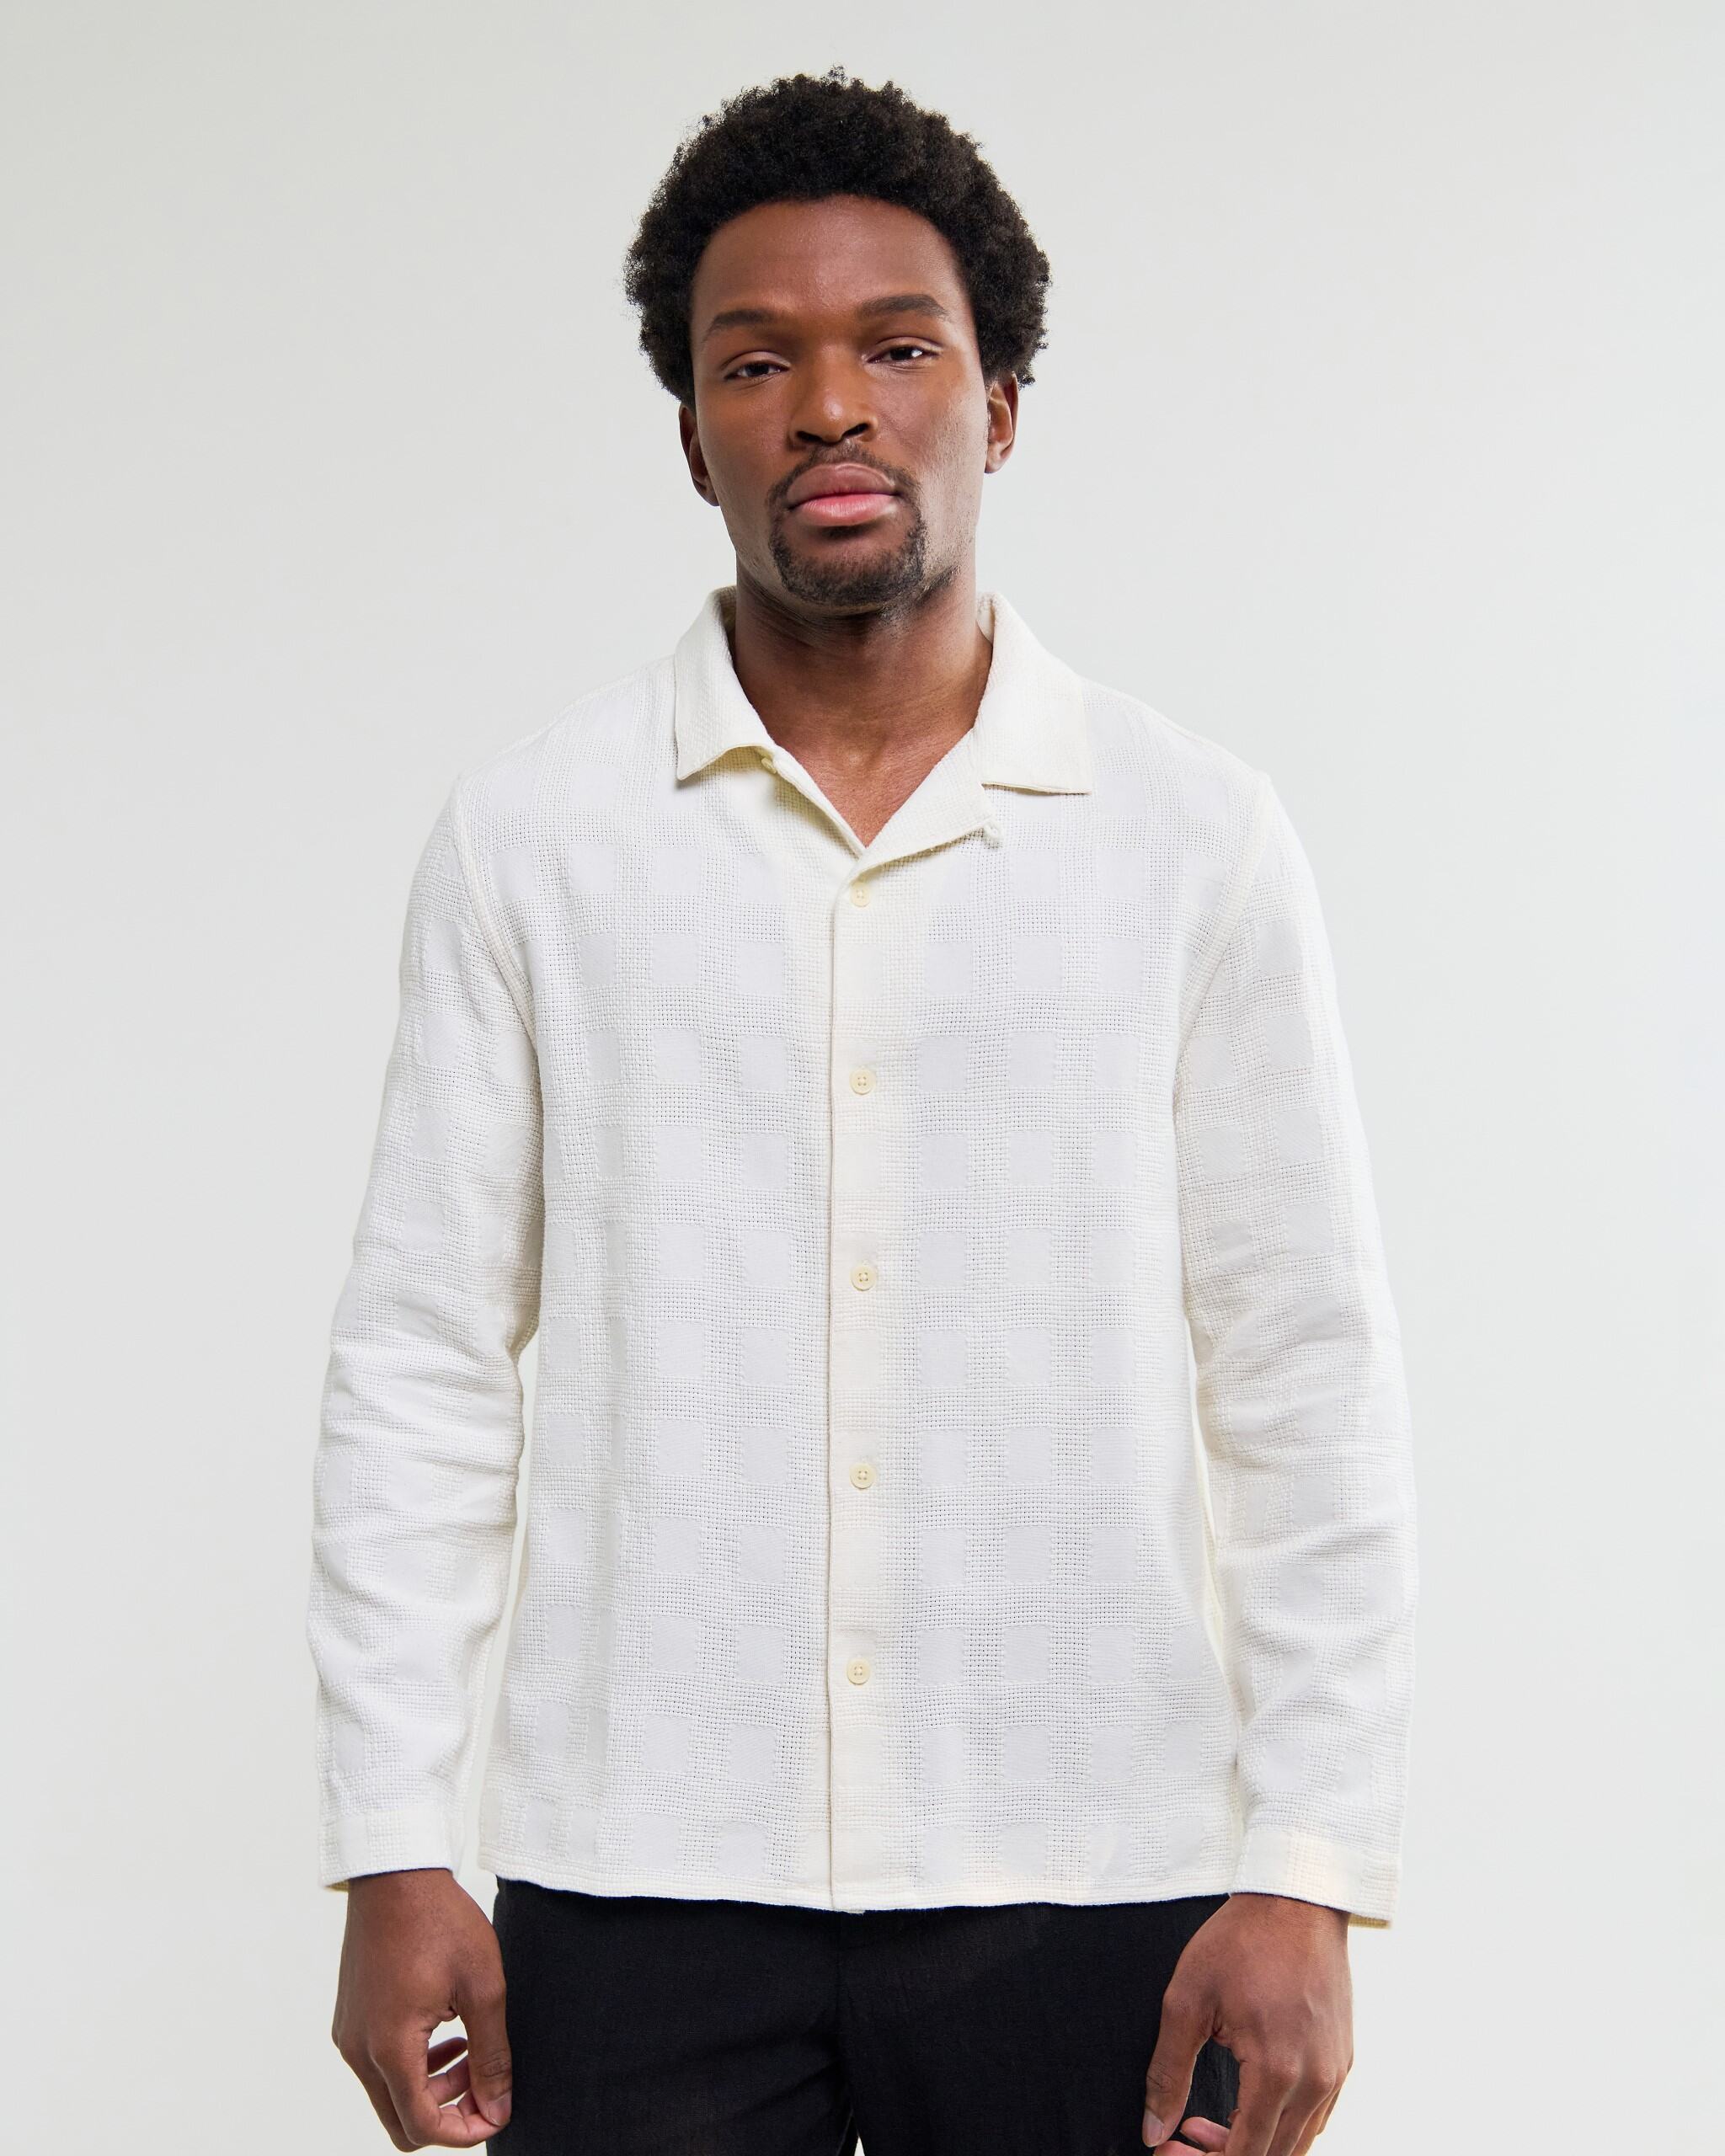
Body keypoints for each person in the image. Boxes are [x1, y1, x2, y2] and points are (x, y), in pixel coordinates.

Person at [307, 63, 1418, 2156]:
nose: (831, 405)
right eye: (758, 362)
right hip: (638, 1875)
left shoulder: (1192, 839)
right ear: (692, 435)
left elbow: (1302, 1368)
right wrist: (391, 1832)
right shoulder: (535, 840)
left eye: (898, 349)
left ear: (996, 405)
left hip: (1093, 1863)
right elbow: (425, 1358)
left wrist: (1309, 1858)